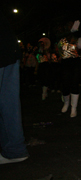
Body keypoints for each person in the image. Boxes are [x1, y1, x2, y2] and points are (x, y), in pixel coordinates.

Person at [0, 10, 29, 164]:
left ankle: (15, 149)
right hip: (8, 48)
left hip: (6, 48)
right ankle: (15, 149)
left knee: (8, 102)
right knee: (9, 103)